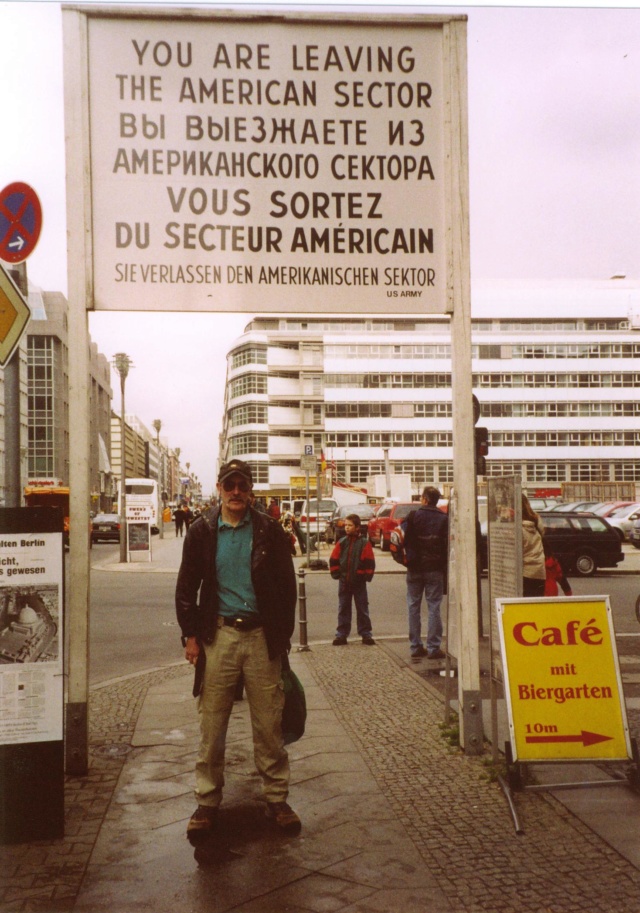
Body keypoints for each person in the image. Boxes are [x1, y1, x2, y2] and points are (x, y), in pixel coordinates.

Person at [175, 459, 300, 844]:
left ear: (249, 489)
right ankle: (207, 801)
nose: (235, 492)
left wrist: (280, 639)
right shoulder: (201, 531)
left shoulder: (269, 532)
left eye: (241, 485)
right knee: (212, 725)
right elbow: (186, 588)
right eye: (229, 485)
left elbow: (286, 588)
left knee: (269, 726)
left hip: (261, 638)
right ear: (218, 488)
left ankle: (277, 799)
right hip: (220, 637)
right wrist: (191, 636)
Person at [402, 486, 448, 660]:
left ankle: (415, 646)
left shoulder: (413, 516)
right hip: (434, 568)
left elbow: (401, 537)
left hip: (414, 567)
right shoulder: (443, 519)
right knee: (434, 606)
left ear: (425, 499)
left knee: (413, 606)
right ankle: (433, 647)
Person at [329, 514, 376, 646]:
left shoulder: (364, 543)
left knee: (362, 608)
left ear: (357, 527)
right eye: (346, 525)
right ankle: (341, 634)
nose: (347, 528)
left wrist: (365, 575)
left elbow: (369, 561)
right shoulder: (342, 542)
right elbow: (334, 558)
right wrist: (337, 573)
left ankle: (365, 634)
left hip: (359, 582)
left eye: (350, 525)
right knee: (343, 607)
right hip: (344, 581)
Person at [522, 494, 546, 596]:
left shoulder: (516, 527)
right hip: (539, 572)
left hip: (524, 572)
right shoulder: (536, 519)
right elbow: (543, 533)